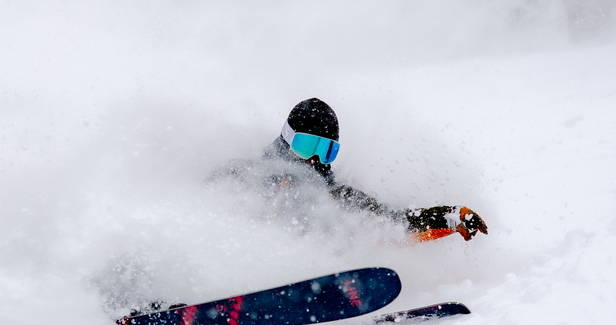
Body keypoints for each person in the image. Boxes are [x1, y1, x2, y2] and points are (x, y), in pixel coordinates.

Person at [209, 98, 488, 241]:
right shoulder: (242, 176)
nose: (314, 159)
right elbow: (196, 219)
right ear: (286, 138)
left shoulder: (336, 198)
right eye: (307, 146)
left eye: (326, 150)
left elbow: (391, 223)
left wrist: (449, 217)